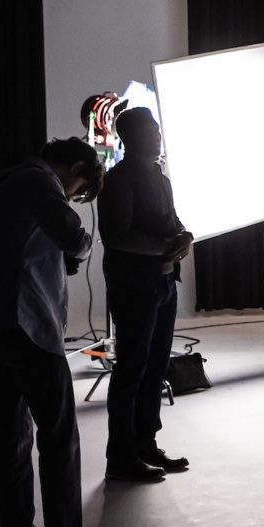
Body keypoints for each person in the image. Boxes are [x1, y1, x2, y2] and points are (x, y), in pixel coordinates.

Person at [0, 138, 125, 527]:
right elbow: (74, 238)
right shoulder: (39, 183)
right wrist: (80, 245)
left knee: (10, 438)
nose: (73, 197)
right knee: (58, 440)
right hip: (29, 326)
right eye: (77, 191)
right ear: (74, 168)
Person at [98, 106, 194, 482]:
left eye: (157, 129)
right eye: (150, 130)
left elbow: (172, 220)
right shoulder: (118, 180)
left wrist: (184, 235)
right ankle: (121, 456)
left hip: (163, 283)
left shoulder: (159, 177)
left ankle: (146, 443)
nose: (157, 135)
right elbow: (117, 236)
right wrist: (165, 248)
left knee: (155, 367)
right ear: (130, 137)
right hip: (135, 286)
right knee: (132, 369)